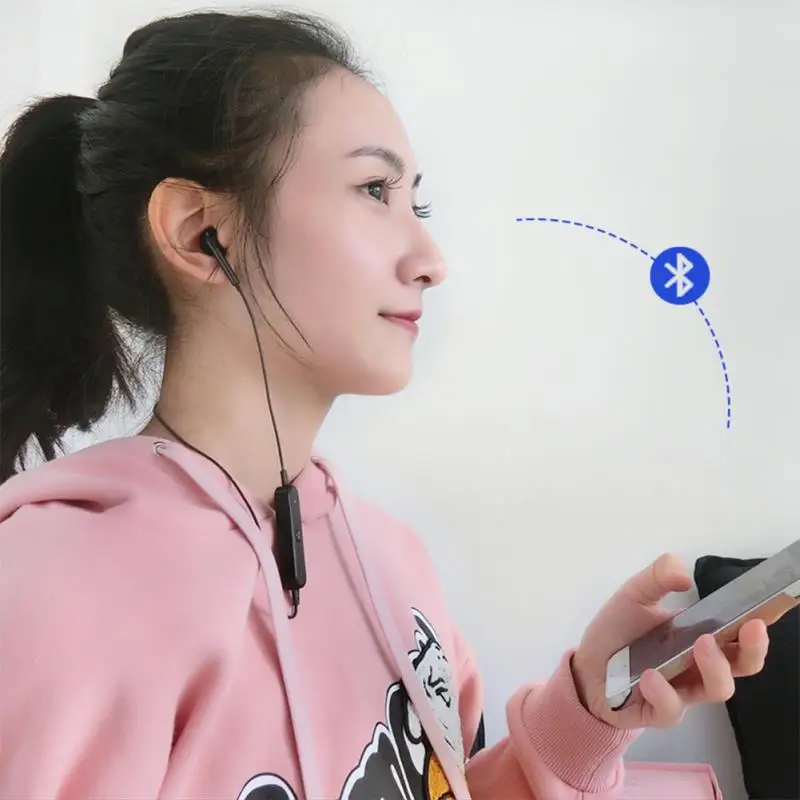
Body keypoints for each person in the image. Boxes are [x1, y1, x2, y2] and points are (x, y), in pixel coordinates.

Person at [0, 9, 770, 800]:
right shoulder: (63, 591)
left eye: (415, 204)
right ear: (201, 232)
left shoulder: (390, 561)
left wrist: (588, 712)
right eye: (374, 190)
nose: (431, 260)